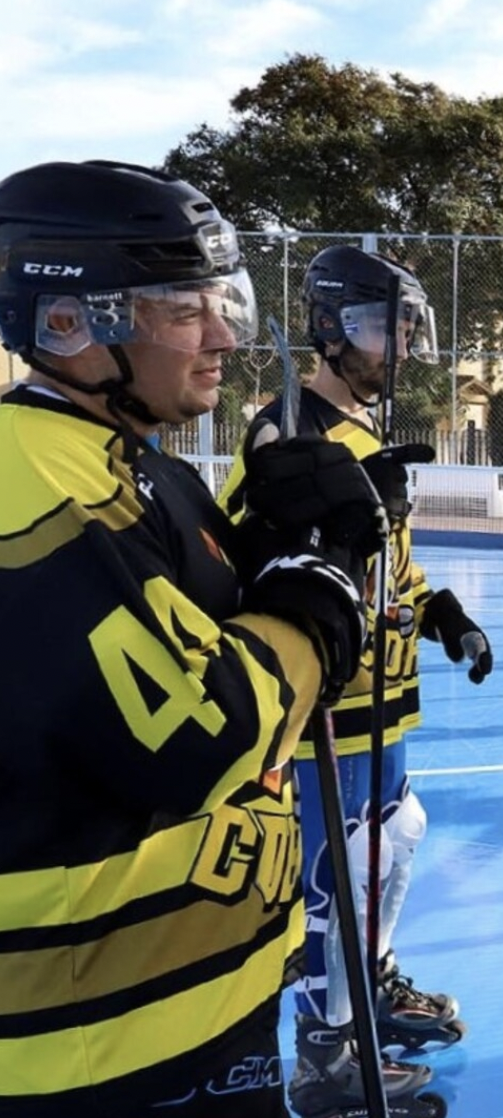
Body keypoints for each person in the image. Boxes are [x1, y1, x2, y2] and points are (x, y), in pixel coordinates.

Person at [0, 161, 380, 1116]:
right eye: (182, 308)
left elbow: (218, 622)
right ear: (66, 322)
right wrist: (320, 593)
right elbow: (197, 735)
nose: (224, 336)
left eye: (223, 299)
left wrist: (296, 541)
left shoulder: (141, 468)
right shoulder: (27, 484)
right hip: (94, 1052)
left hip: (202, 1015)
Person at [220, 246, 488, 1118]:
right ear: (331, 330)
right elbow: (240, 560)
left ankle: (365, 989)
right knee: (331, 879)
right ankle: (324, 1054)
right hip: (325, 707)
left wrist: (439, 608)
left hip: (385, 702)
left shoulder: (367, 438)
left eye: (407, 328)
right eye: (381, 327)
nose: (397, 348)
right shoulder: (288, 430)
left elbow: (390, 564)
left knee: (390, 844)